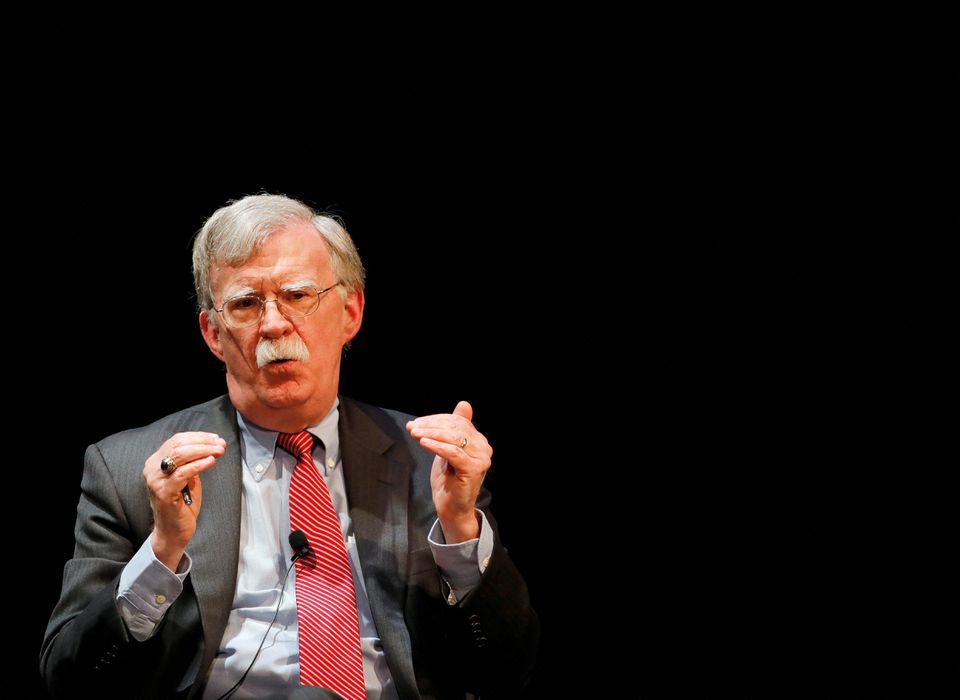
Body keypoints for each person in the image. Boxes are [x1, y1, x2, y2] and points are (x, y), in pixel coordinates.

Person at [40, 194, 538, 699]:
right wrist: (163, 550)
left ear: (350, 312)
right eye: (245, 304)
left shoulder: (427, 462)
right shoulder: (129, 470)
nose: (274, 324)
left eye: (298, 295)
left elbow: (509, 668)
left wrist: (460, 529)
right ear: (213, 334)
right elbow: (69, 678)